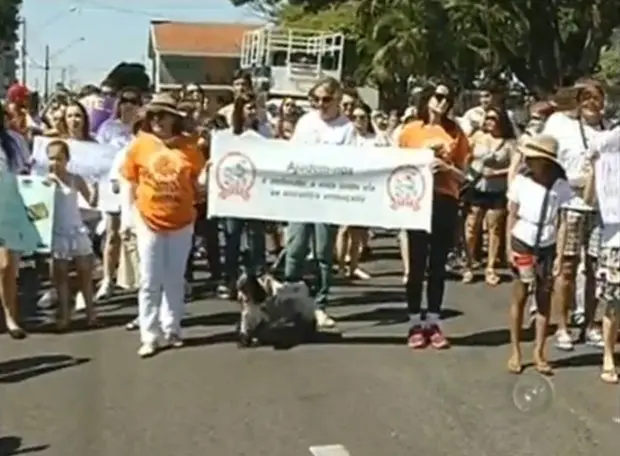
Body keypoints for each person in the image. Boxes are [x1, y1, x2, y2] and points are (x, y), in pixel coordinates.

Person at [121, 93, 205, 358]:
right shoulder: (139, 145)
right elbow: (129, 182)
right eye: (153, 115)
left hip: (181, 221)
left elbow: (198, 185)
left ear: (174, 119)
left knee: (174, 278)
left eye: (163, 115)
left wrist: (214, 173)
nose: (157, 120)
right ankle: (150, 333)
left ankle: (173, 328)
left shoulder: (189, 148)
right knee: (149, 279)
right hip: (149, 219)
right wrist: (126, 217)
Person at [398, 83, 469, 349]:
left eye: (448, 98)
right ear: (427, 99)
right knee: (416, 265)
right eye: (439, 96)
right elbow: (396, 167)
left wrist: (447, 168)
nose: (443, 102)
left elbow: (464, 175)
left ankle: (434, 321)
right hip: (416, 201)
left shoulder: (455, 132)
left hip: (444, 200)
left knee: (438, 265)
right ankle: (414, 321)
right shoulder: (410, 131)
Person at [284, 77, 356, 329]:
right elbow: (291, 155)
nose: (321, 104)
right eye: (316, 100)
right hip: (302, 195)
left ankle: (320, 305)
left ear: (337, 99)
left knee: (324, 254)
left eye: (326, 99)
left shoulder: (347, 128)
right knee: (295, 250)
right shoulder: (305, 122)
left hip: (328, 198)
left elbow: (351, 163)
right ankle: (290, 302)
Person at [542, 79, 608, 351]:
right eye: (587, 98)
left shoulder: (608, 131)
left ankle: (591, 324)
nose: (593, 104)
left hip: (600, 208)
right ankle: (563, 326)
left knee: (594, 269)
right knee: (567, 266)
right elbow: (545, 156)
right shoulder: (560, 124)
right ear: (578, 101)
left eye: (597, 99)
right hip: (570, 204)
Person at [506, 135, 574, 375]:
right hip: (523, 239)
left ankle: (539, 350)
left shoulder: (560, 186)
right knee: (521, 294)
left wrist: (559, 254)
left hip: (547, 242)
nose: (529, 161)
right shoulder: (521, 181)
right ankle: (515, 350)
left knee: (544, 297)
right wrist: (508, 247)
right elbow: (511, 215)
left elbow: (563, 221)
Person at [218, 93, 269, 300]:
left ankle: (258, 278)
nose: (252, 112)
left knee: (256, 238)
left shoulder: (262, 135)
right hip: (232, 195)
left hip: (254, 194)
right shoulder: (226, 136)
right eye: (248, 108)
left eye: (254, 108)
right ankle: (229, 279)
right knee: (232, 238)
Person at [45, 139, 98, 331]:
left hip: (76, 230)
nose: (55, 162)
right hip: (58, 233)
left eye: (59, 158)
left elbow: (91, 201)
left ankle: (91, 314)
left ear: (67, 159)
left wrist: (96, 190)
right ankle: (65, 316)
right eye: (51, 158)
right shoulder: (45, 181)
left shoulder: (75, 179)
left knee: (85, 274)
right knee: (61, 278)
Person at [94, 88, 142, 300]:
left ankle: (137, 278)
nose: (128, 105)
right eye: (124, 101)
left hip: (136, 189)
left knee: (135, 235)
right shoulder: (108, 128)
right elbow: (98, 157)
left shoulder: (143, 128)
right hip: (111, 186)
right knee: (112, 234)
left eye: (133, 101)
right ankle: (107, 278)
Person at [461, 106, 516, 285]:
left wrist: (498, 172)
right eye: (488, 118)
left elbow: (516, 166)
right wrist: (466, 170)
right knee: (471, 226)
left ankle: (490, 268)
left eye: (494, 118)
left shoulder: (509, 143)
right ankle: (468, 265)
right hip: (476, 186)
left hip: (497, 189)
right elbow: (465, 155)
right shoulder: (477, 137)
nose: (490, 122)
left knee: (495, 229)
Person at [585, 126, 620, 383]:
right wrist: (594, 171)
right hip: (615, 238)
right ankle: (608, 354)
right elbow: (588, 200)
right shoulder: (608, 153)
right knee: (615, 303)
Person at [0, 102, 30, 339]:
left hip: (9, 207)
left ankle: (11, 316)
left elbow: (25, 172)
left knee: (7, 265)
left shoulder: (13, 140)